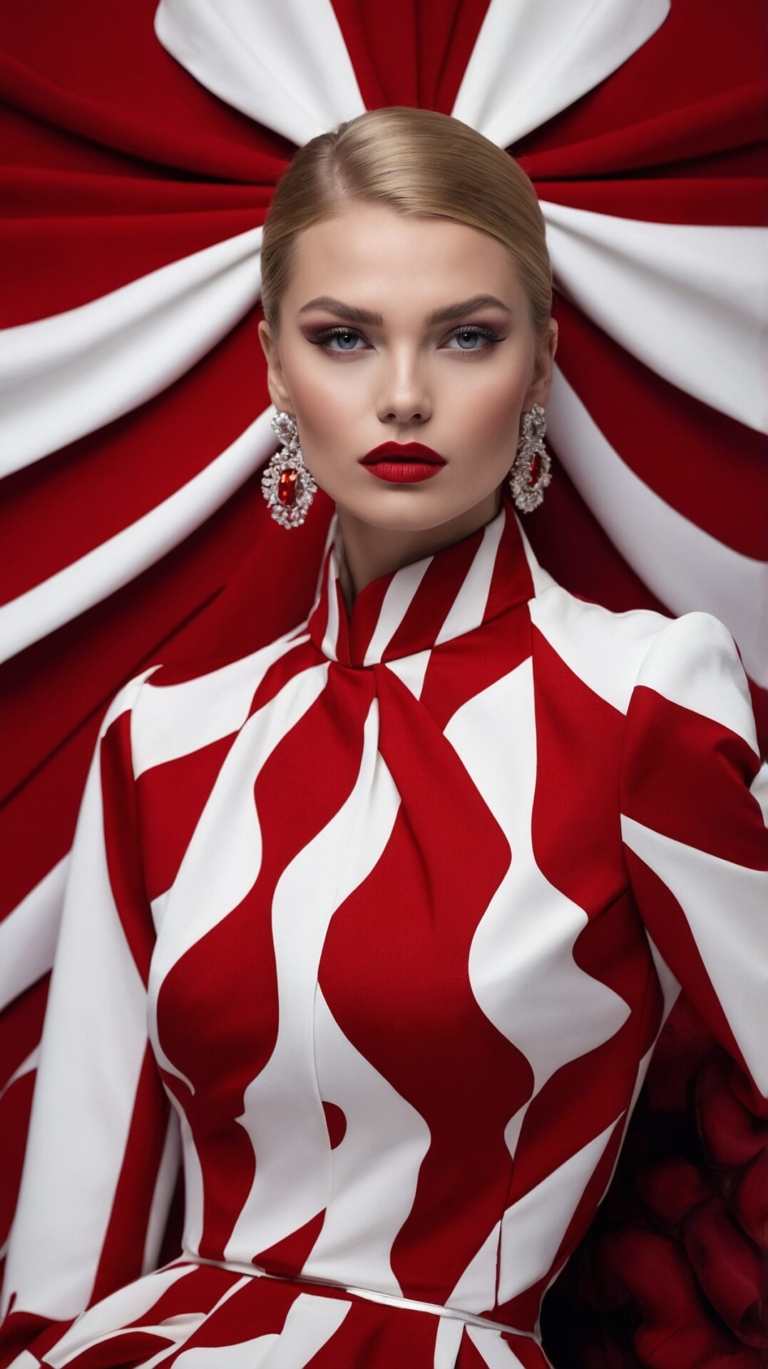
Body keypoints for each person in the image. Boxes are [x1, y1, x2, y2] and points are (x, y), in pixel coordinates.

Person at [0, 107, 765, 1369]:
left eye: (466, 336)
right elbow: (65, 1260)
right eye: (344, 338)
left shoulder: (642, 696)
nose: (403, 394)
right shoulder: (162, 739)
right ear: (271, 365)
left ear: (540, 362)